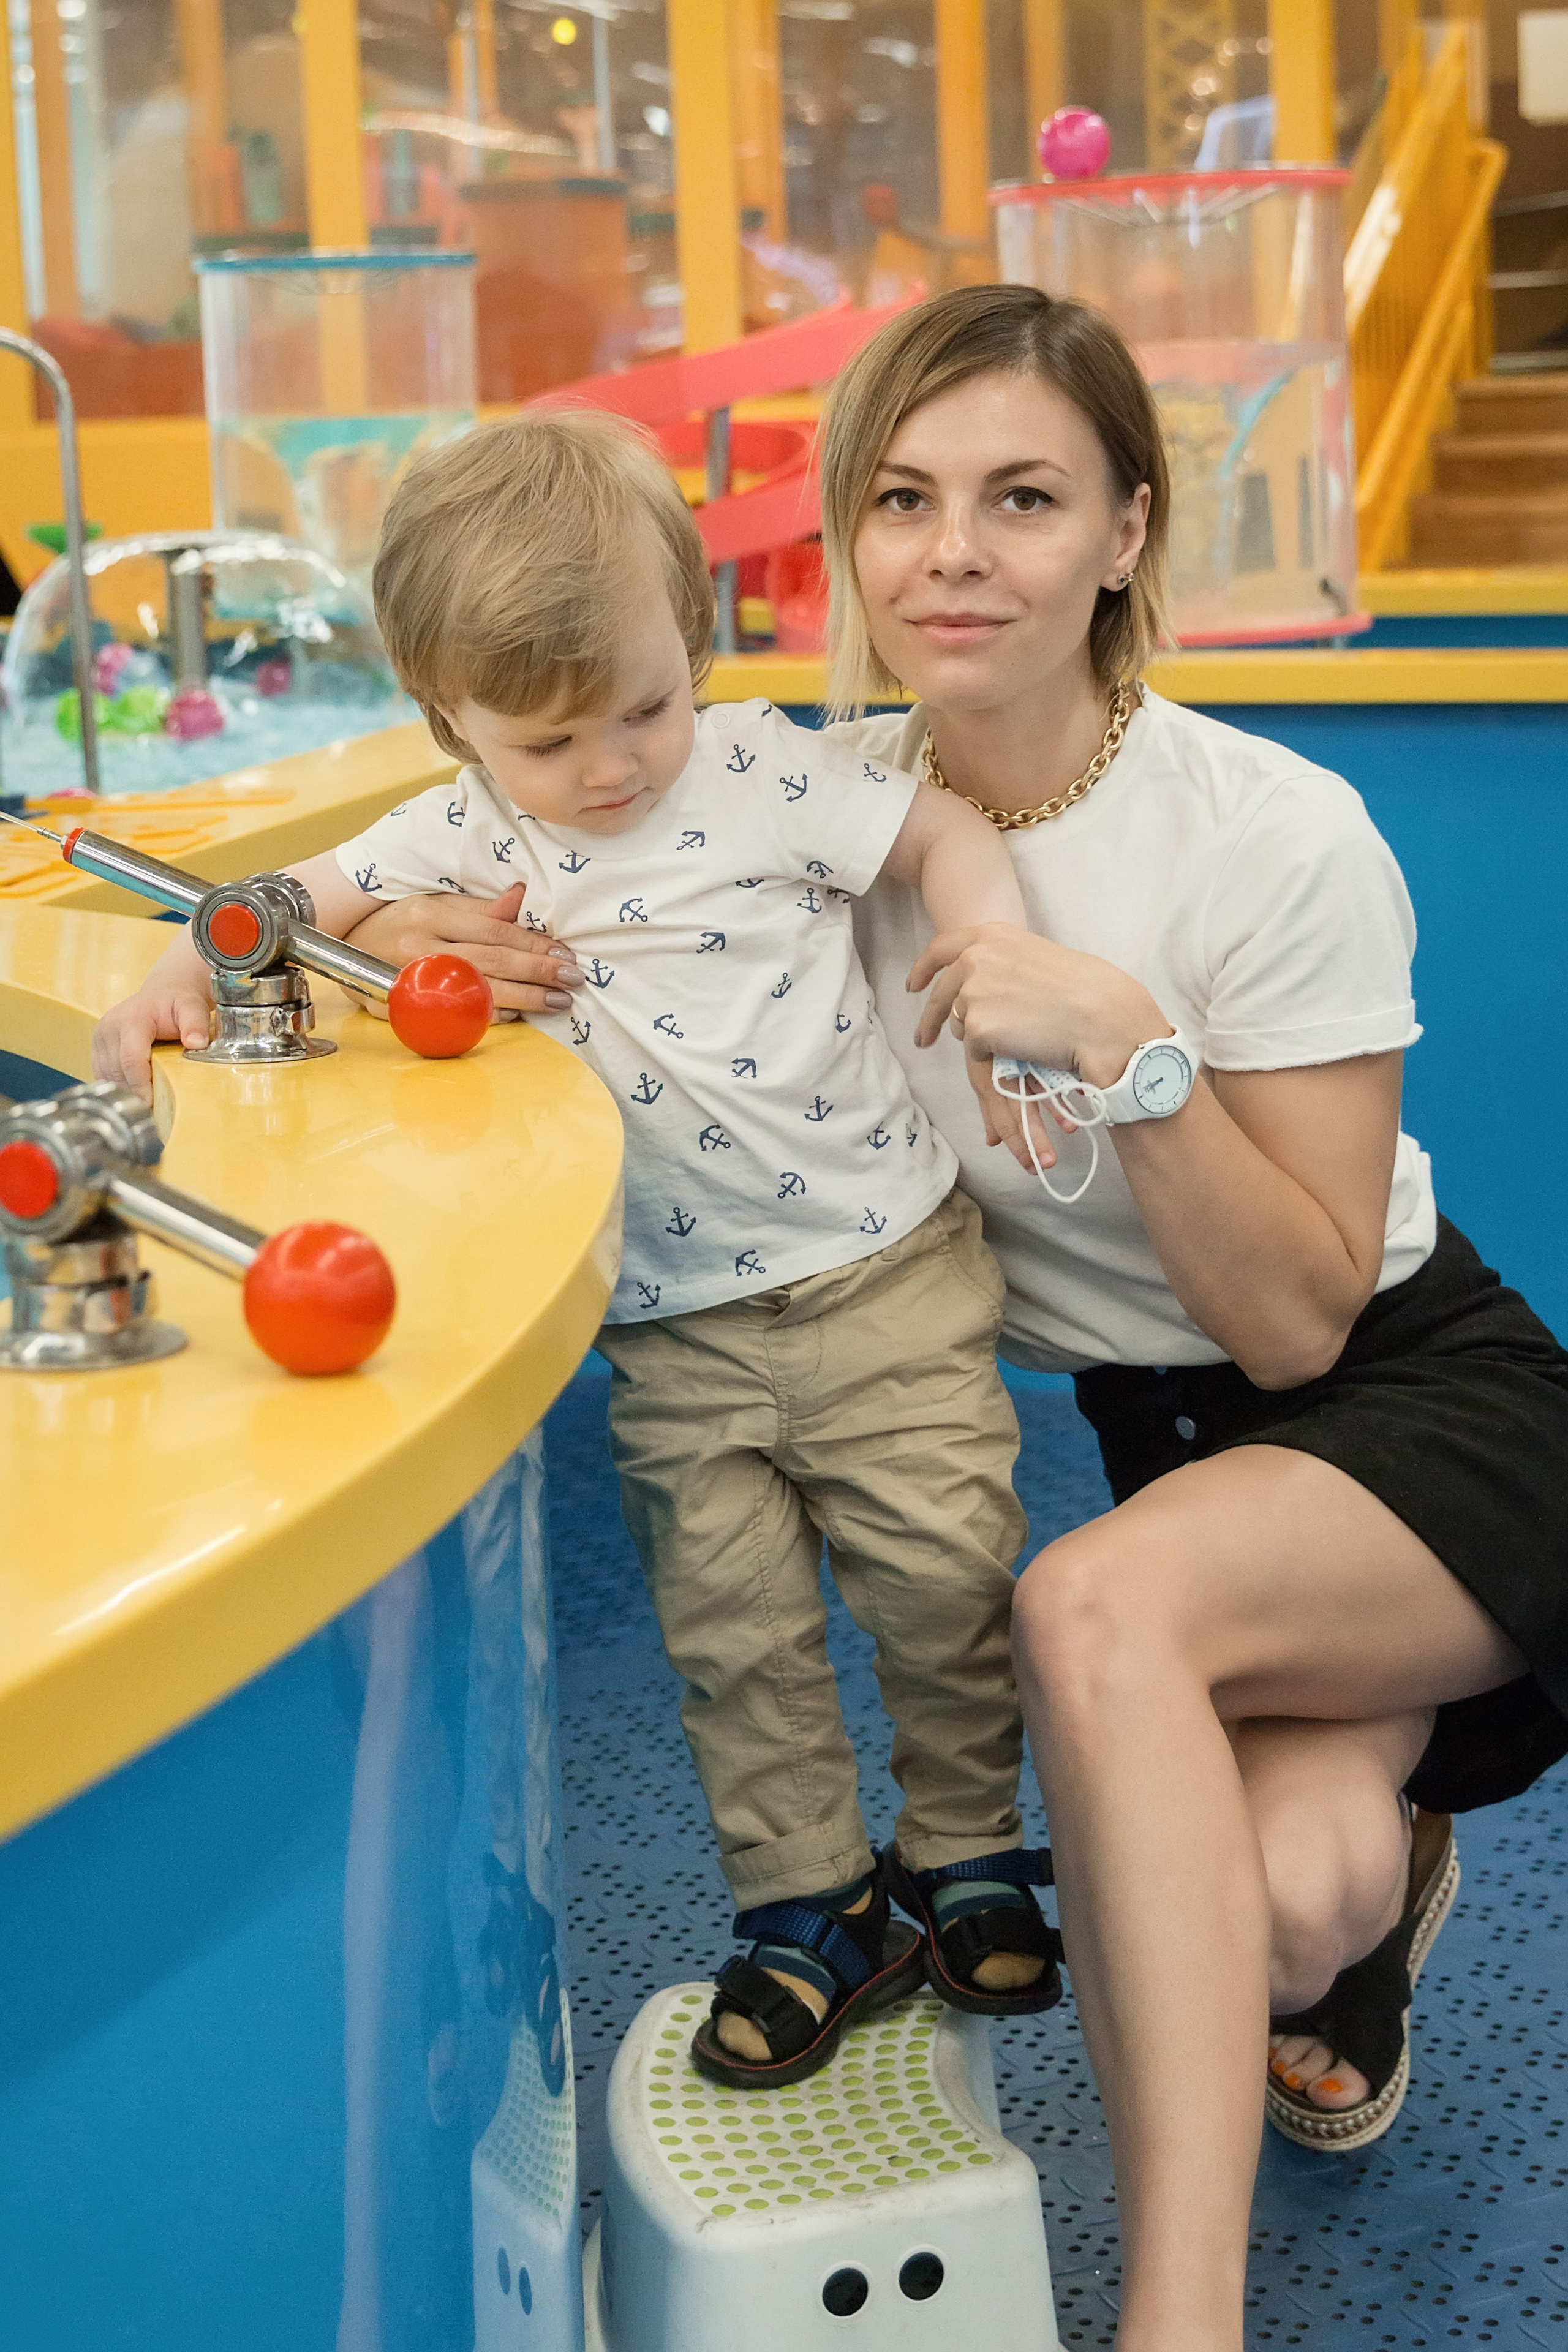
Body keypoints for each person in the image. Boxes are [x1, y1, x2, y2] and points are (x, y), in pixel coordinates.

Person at [326, 292, 1568, 2352]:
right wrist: (394, 931)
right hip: (1176, 1456)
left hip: (1402, 1399)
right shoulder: (782, 807)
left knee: (1082, 1614)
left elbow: (1295, 1323)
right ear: (848, 541)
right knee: (1280, 1907)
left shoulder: (1269, 828)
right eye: (903, 500)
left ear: (1124, 536)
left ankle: (1182, 2317)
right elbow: (460, 847)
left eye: (1023, 497)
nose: (955, 551)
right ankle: (1383, 1863)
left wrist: (1135, 1059)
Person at [91, 407, 1064, 2094]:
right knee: (733, 1634)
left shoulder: (758, 764)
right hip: (677, 1331)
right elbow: (274, 904)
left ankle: (965, 1851)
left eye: (646, 707)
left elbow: (942, 837)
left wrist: (989, 945)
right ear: (446, 722)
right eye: (550, 742)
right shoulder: (469, 827)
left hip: (886, 1277)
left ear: (690, 650)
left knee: (946, 1584)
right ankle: (808, 1903)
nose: (611, 769)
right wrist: (188, 967)